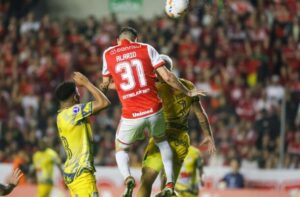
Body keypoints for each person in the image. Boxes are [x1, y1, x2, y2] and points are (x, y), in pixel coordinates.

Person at [99, 27, 205, 197]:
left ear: (118, 40)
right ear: (136, 38)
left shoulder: (108, 53)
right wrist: (188, 92)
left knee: (121, 149)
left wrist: (106, 87)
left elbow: (106, 84)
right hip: (155, 111)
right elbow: (169, 77)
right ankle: (170, 183)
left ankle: (127, 178)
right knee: (162, 142)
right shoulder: (146, 48)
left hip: (131, 114)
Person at [137, 55, 215, 197]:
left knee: (146, 180)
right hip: (181, 140)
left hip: (162, 136)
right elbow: (201, 115)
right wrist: (208, 135)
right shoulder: (189, 86)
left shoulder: (155, 87)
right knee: (167, 184)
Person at [55, 72, 110, 197]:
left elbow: (97, 108)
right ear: (75, 96)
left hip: (71, 172)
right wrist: (86, 83)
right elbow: (104, 104)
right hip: (81, 174)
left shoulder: (62, 115)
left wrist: (101, 92)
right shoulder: (73, 112)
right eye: (78, 92)